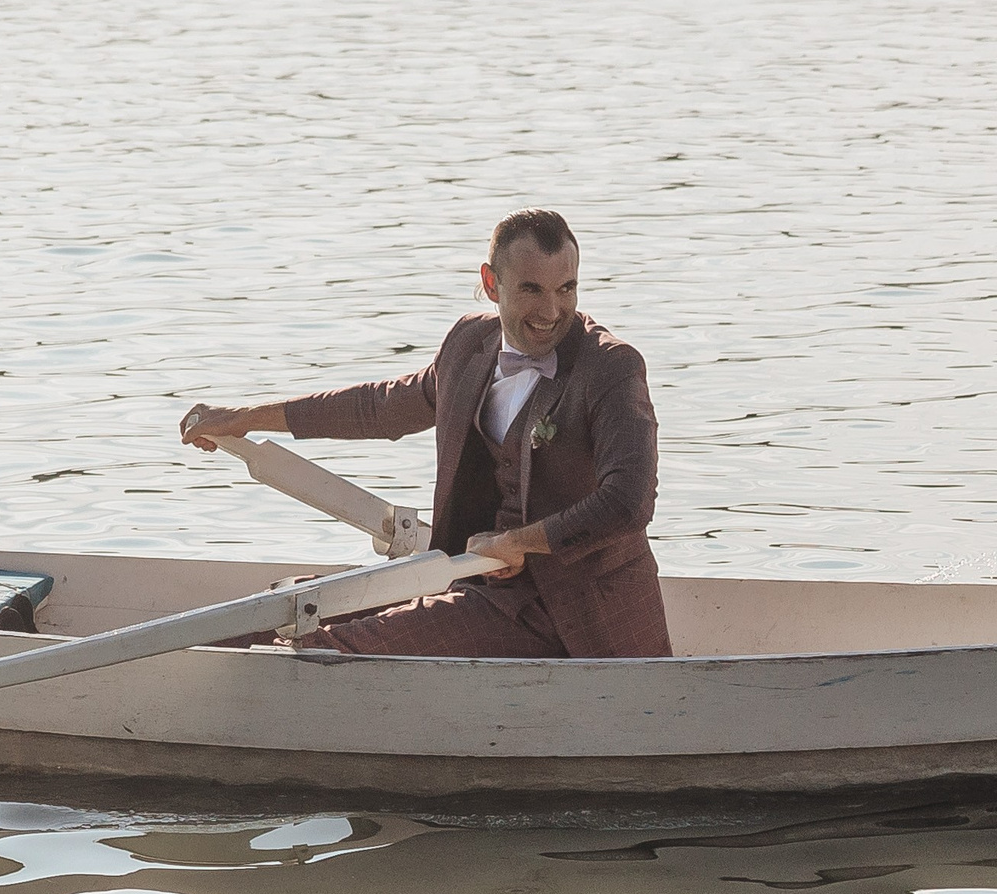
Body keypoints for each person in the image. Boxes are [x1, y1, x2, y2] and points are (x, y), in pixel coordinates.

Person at [179, 208, 670, 658]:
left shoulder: (612, 368)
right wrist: (245, 418)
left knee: (328, 649)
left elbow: (628, 502)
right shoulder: (468, 344)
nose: (551, 311)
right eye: (531, 290)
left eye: (567, 288)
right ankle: (162, 688)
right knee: (282, 608)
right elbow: (379, 408)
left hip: (571, 621)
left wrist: (519, 542)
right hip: (465, 583)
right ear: (491, 283)